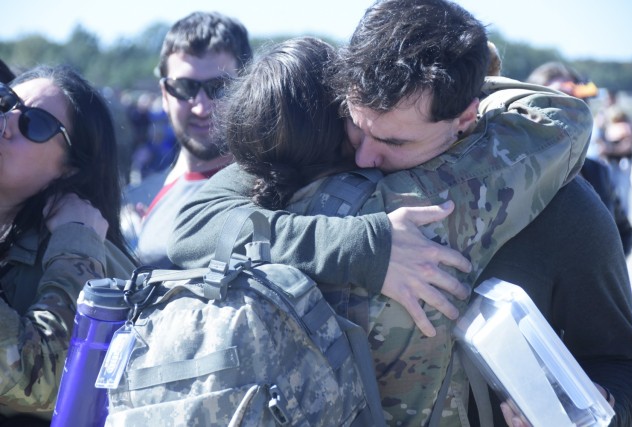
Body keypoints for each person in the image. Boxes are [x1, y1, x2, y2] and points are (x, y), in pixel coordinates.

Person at [169, 2, 600, 425]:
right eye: (354, 123)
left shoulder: (542, 197)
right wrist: (365, 245)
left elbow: (619, 365)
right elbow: (193, 225)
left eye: (395, 143)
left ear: (466, 118)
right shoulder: (315, 128)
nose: (363, 157)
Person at [0, 65, 136, 424]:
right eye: (4, 101)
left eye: (36, 124)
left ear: (71, 168)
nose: (8, 122)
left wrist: (76, 243)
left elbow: (58, 382)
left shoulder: (102, 261)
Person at [122, 11, 252, 267]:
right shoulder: (137, 197)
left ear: (247, 87)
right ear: (164, 93)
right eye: (184, 88)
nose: (201, 108)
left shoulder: (269, 189)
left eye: (220, 87)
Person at [526, 62, 632, 255]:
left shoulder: (597, 172)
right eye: (556, 101)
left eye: (577, 100)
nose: (570, 110)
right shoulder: (516, 172)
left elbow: (625, 233)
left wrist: (605, 273)